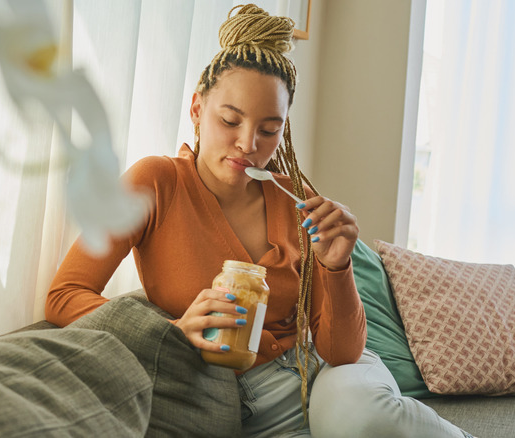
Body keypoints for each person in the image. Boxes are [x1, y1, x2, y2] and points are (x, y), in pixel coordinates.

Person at [47, 4, 474, 438]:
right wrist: (171, 331)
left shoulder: (298, 202)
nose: (247, 144)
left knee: (354, 417)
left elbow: (342, 352)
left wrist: (336, 266)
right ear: (196, 109)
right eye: (229, 120)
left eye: (269, 130)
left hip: (329, 377)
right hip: (241, 404)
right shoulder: (155, 183)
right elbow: (64, 295)